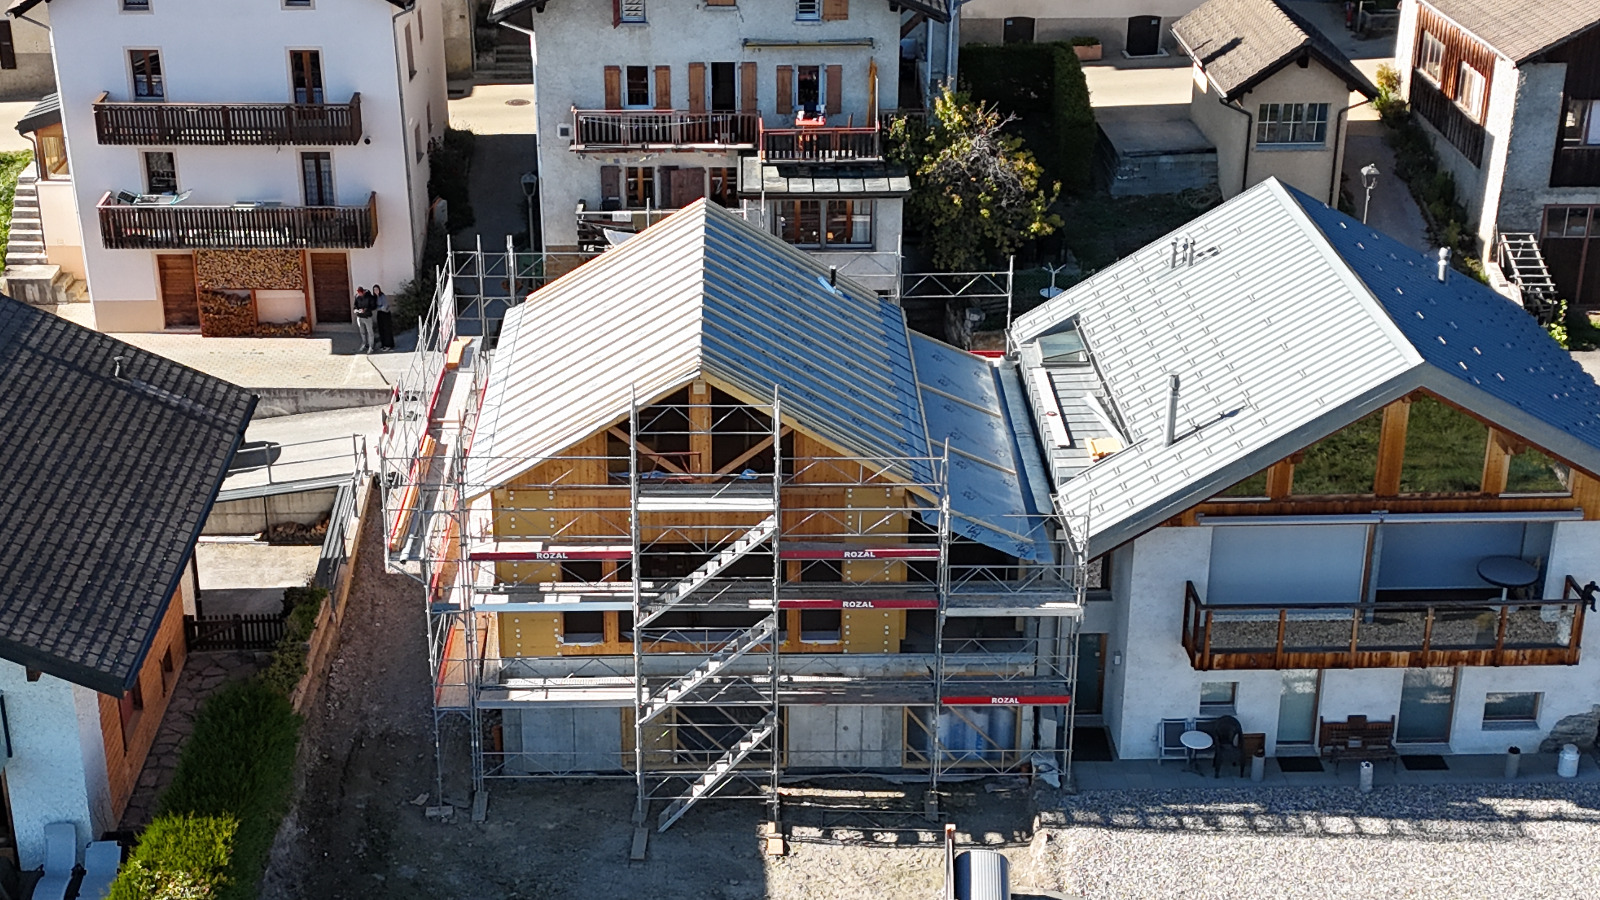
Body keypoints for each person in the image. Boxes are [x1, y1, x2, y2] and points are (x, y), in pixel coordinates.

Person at [353, 286, 378, 353]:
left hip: (367, 317)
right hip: (359, 316)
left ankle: (371, 346)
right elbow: (355, 305)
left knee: (370, 332)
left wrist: (365, 310)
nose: (359, 294)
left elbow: (373, 306)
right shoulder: (357, 296)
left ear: (363, 292)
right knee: (362, 332)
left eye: (360, 293)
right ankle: (364, 344)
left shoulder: (369, 297)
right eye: (358, 293)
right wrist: (355, 310)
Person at [373, 284, 394, 351]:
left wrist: (378, 308)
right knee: (381, 329)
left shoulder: (382, 296)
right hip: (380, 314)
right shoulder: (375, 298)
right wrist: (378, 308)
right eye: (374, 290)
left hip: (386, 314)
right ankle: (384, 345)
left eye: (377, 289)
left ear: (379, 289)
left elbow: (384, 307)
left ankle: (389, 345)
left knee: (386, 330)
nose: (376, 291)